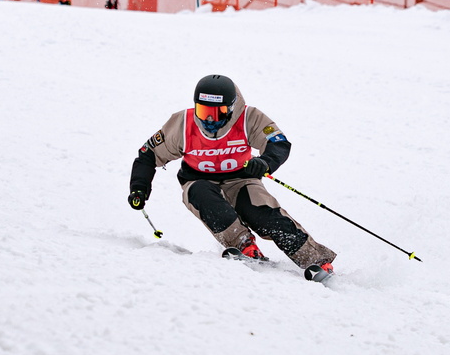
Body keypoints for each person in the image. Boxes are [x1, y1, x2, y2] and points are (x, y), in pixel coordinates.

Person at [127, 74, 338, 281]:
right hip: (199, 181)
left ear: (231, 107)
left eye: (217, 112)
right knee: (204, 197)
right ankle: (244, 246)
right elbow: (148, 154)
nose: (209, 119)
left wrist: (265, 162)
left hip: (241, 180)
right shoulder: (183, 123)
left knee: (263, 214)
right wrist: (139, 187)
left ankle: (316, 260)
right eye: (203, 110)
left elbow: (278, 143)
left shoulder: (248, 118)